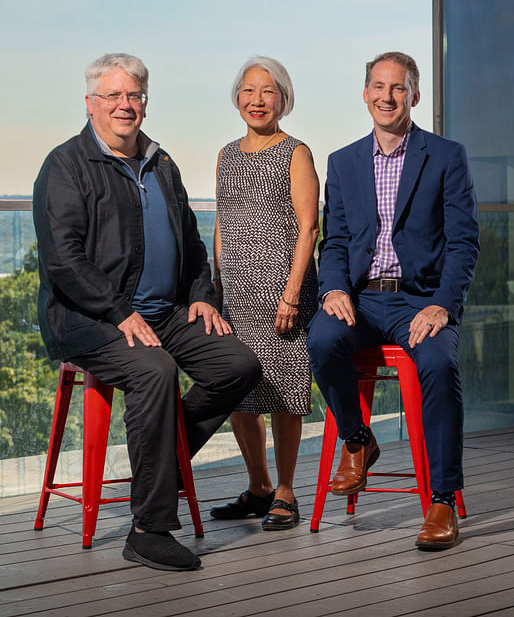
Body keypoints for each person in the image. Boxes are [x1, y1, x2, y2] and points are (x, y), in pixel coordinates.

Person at [33, 53, 261, 571]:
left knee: (239, 365)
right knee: (154, 371)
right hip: (89, 319)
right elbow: (63, 260)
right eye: (112, 96)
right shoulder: (66, 165)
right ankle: (148, 529)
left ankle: (158, 466)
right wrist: (117, 312)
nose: (124, 105)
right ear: (90, 104)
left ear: (145, 102)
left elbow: (192, 243)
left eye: (133, 95)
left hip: (165, 312)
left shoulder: (161, 163)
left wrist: (203, 293)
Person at [307, 51, 479, 549]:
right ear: (365, 94)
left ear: (414, 96)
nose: (387, 97)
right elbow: (334, 242)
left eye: (398, 88)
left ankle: (443, 499)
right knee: (321, 341)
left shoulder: (446, 156)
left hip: (419, 301)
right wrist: (333, 287)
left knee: (439, 367)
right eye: (378, 87)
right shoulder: (342, 162)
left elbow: (465, 241)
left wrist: (444, 303)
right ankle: (358, 439)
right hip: (360, 299)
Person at [210, 56, 319, 530]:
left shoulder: (296, 152)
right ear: (237, 99)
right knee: (239, 392)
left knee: (282, 395)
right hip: (235, 297)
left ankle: (287, 492)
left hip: (282, 296)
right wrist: (216, 288)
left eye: (268, 92)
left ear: (283, 100)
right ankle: (258, 486)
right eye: (249, 91)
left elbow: (308, 227)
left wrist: (293, 293)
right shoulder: (225, 155)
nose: (257, 100)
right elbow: (223, 220)